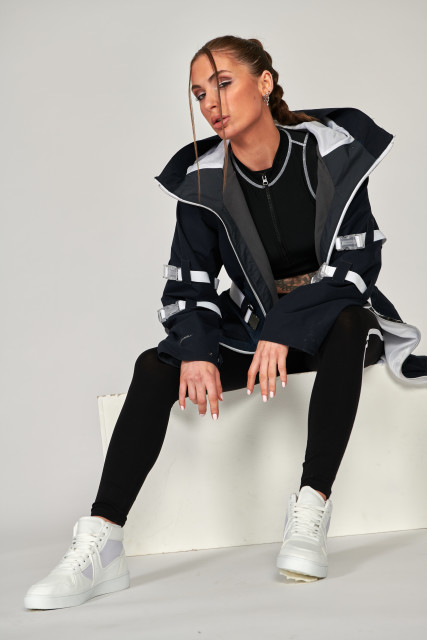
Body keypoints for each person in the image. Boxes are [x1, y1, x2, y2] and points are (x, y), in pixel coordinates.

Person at [24, 35, 427, 610]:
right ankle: (103, 540)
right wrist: (196, 346)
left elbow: (356, 265)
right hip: (258, 333)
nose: (211, 103)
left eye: (223, 83)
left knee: (347, 322)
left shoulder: (330, 152)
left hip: (333, 327)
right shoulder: (204, 181)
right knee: (154, 366)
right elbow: (188, 284)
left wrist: (285, 326)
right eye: (199, 94)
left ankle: (310, 507)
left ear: (264, 83)